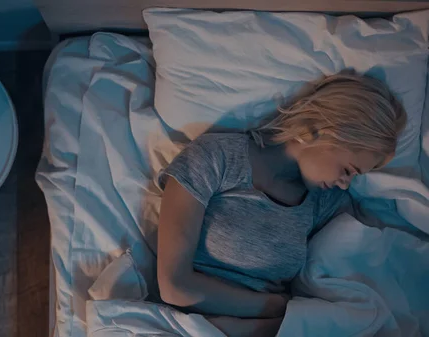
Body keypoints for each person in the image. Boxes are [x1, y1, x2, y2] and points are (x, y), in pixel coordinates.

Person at [156, 72, 407, 336]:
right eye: (347, 169)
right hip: (192, 325)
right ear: (319, 130)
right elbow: (174, 285)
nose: (345, 183)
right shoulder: (216, 157)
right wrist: (272, 307)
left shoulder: (325, 203)